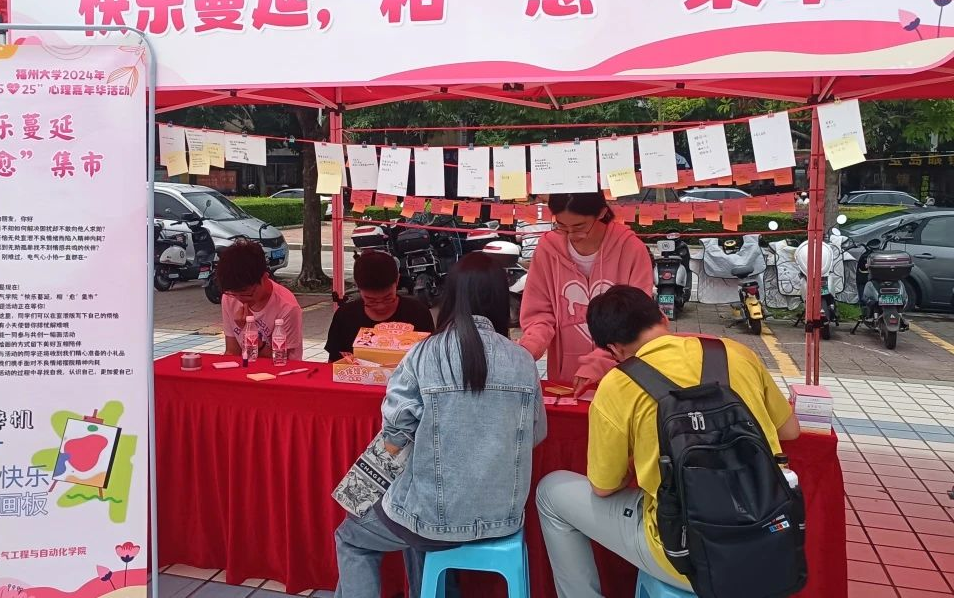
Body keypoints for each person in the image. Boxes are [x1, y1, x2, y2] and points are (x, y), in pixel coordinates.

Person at [536, 286, 800, 598]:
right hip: (772, 542)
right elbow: (790, 431)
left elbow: (604, 486)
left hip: (687, 558)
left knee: (550, 492)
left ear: (614, 349)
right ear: (662, 317)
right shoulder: (736, 353)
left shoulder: (618, 384)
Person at [334, 252, 547, 598]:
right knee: (413, 519)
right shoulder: (523, 361)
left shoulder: (424, 353)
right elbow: (536, 434)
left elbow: (395, 434)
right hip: (503, 519)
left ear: (452, 298)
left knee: (352, 537)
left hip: (431, 521)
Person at [519, 192, 653, 395]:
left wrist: (599, 362)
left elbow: (638, 320)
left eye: (579, 227)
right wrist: (528, 349)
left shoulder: (631, 248)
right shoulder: (548, 249)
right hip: (566, 379)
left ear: (601, 213)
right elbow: (539, 314)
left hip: (622, 376)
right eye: (562, 226)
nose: (572, 235)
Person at [325, 250, 435, 362]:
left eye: (388, 298)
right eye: (371, 300)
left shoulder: (418, 313)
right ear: (357, 286)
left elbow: (430, 359)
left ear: (397, 280)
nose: (380, 306)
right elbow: (334, 362)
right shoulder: (345, 316)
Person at [218, 240, 303, 361]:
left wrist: (249, 332)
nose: (240, 299)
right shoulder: (229, 297)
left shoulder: (287, 308)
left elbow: (282, 360)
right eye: (234, 294)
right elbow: (232, 351)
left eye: (247, 294)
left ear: (264, 278)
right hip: (246, 367)